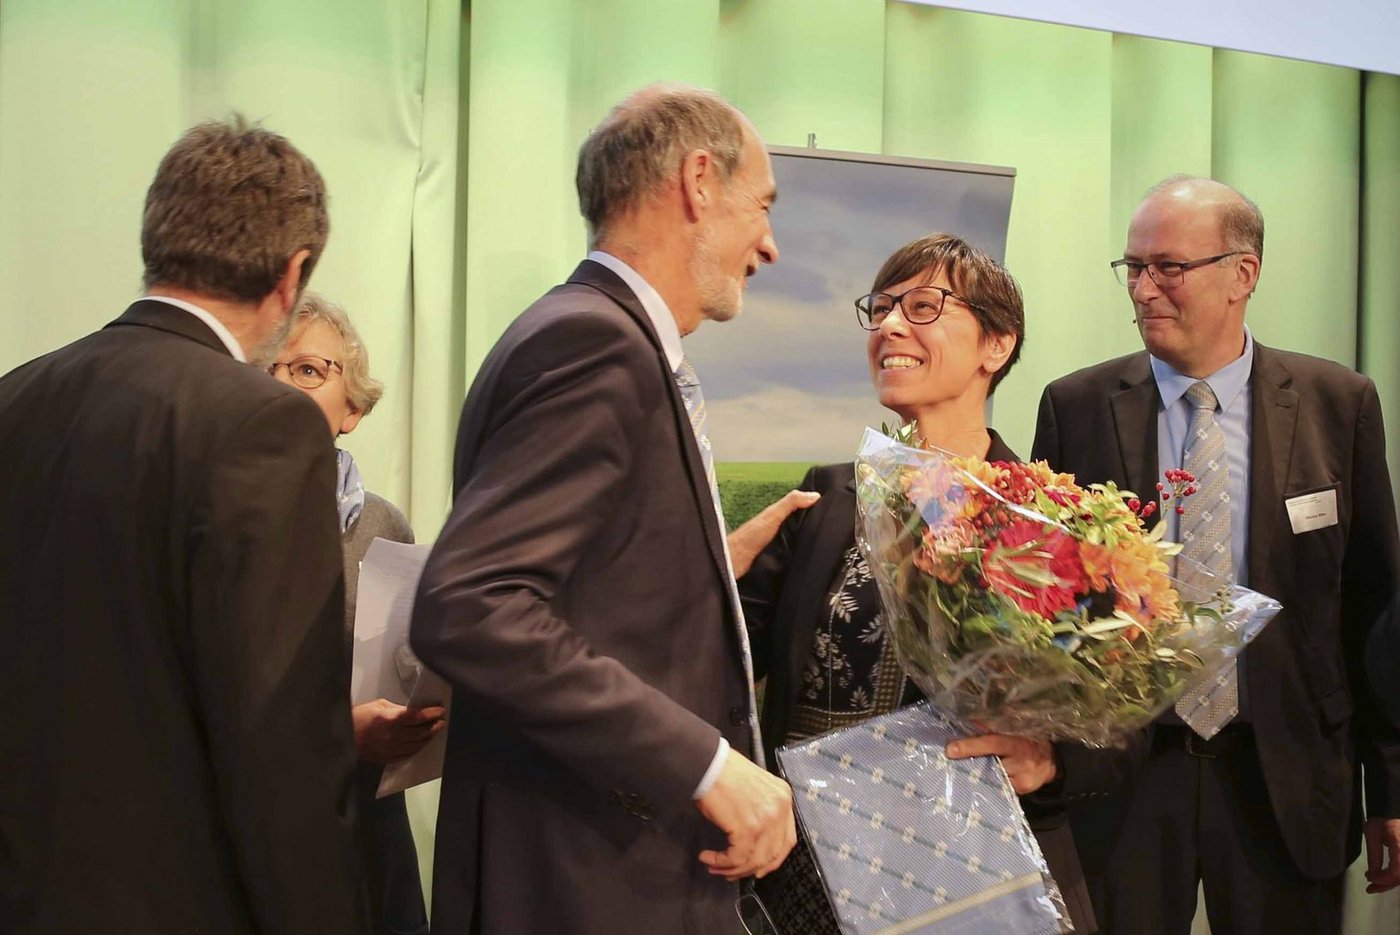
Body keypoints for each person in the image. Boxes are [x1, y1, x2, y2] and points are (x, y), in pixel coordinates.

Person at [409, 83, 796, 934]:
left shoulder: (583, 332)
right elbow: (471, 604)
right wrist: (707, 765)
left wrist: (705, 570)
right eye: (762, 206)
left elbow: (578, 587)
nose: (768, 245)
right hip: (584, 882)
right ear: (699, 182)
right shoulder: (594, 344)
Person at [0, 119, 366, 933]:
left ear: (156, 237)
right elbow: (278, 740)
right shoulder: (266, 424)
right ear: (291, 275)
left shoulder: (14, 398)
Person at [1031, 175, 1400, 934]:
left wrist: (1392, 786)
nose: (1143, 289)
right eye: (1134, 267)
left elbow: (1374, 606)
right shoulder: (1076, 406)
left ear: (1243, 274)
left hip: (1287, 774)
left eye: (1168, 267)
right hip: (1126, 778)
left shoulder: (1339, 403)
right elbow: (1049, 606)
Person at [738, 232, 1097, 934]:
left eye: (923, 306)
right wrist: (713, 573)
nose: (891, 326)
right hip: (808, 874)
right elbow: (725, 659)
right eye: (881, 308)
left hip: (970, 873)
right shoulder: (826, 499)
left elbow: (1126, 714)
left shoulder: (1050, 518)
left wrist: (1052, 759)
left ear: (997, 345)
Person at [269, 293, 445, 935]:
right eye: (264, 366)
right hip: (256, 831)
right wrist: (340, 736)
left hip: (365, 832)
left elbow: (403, 673)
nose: (279, 385)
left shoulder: (383, 526)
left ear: (354, 410)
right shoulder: (207, 515)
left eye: (308, 370)